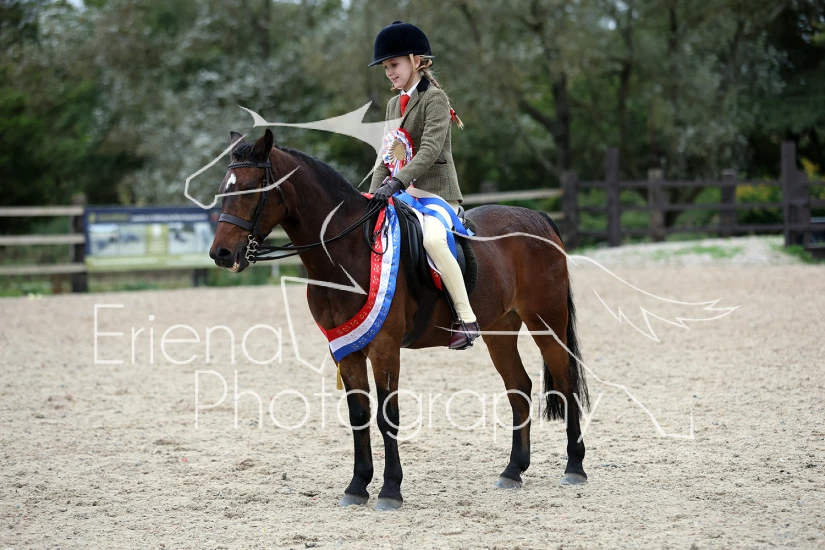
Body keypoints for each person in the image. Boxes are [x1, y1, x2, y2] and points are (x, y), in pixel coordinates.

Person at [368, 20, 480, 350]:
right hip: (403, 194)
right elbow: (386, 154)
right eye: (386, 67)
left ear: (416, 61)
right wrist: (372, 194)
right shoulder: (393, 105)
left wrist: (395, 183)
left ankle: (466, 318)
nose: (389, 72)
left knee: (432, 240)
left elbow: (430, 150)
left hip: (437, 196)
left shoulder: (436, 99)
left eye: (394, 65)